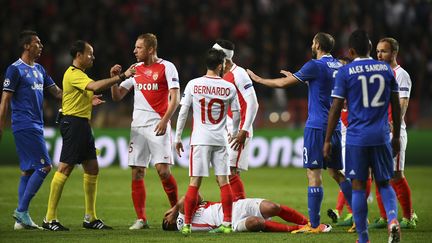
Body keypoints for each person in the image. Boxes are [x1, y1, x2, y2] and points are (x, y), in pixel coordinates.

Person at [247, 32, 352, 233]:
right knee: (336, 173)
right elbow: (324, 84)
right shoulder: (339, 66)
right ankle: (358, 216)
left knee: (313, 173)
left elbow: (282, 84)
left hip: (316, 126)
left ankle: (313, 225)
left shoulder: (314, 64)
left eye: (313, 42)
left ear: (318, 45)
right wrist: (299, 78)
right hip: (336, 126)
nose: (311, 44)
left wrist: (258, 79)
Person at [42, 40, 135, 231]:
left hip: (82, 124)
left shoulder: (79, 75)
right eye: (90, 53)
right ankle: (49, 218)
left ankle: (90, 218)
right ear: (79, 56)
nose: (93, 57)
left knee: (92, 167)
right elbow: (94, 86)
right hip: (74, 124)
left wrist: (88, 101)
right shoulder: (74, 73)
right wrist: (122, 76)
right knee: (65, 168)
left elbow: (78, 94)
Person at [323, 30, 401, 243]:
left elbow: (336, 108)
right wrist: (395, 138)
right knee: (384, 184)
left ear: (351, 51)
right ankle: (393, 220)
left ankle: (364, 238)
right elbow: (395, 104)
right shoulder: (386, 70)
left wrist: (328, 139)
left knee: (358, 186)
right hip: (382, 135)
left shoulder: (346, 72)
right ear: (370, 48)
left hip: (357, 138)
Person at [111, 33, 180, 230]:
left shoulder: (167, 67)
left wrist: (165, 120)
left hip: (159, 125)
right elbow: (117, 96)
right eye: (135, 47)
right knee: (137, 172)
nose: (134, 51)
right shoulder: (135, 70)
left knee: (163, 171)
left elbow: (175, 98)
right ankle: (141, 219)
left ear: (151, 49)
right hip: (138, 128)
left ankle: (176, 212)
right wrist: (113, 79)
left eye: (139, 47)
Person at [174, 48, 240, 236]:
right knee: (224, 181)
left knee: (195, 182)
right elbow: (236, 114)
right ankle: (227, 223)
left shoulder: (194, 84)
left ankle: (186, 224)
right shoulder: (229, 87)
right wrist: (234, 133)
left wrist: (178, 137)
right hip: (220, 139)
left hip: (200, 140)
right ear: (221, 65)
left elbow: (183, 112)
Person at [0, 30, 62, 230]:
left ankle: (20, 220)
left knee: (27, 170)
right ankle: (21, 211)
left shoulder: (40, 70)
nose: (41, 46)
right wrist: (1, 126)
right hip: (24, 124)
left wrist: (84, 94)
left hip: (36, 124)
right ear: (26, 46)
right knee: (44, 167)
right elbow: (5, 101)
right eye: (37, 42)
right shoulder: (15, 70)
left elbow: (58, 93)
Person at [369, 37, 418, 229]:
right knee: (378, 173)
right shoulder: (378, 73)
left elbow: (403, 102)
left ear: (394, 53)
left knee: (396, 175)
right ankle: (383, 217)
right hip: (378, 132)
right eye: (378, 51)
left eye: (384, 51)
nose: (379, 54)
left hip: (394, 132)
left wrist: (393, 124)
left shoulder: (401, 74)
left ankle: (408, 216)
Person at [212, 39, 259, 201]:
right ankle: (232, 210)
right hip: (225, 130)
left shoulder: (239, 74)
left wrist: (243, 130)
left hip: (239, 131)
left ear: (222, 57)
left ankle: (240, 210)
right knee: (221, 174)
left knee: (230, 172)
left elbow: (253, 103)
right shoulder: (220, 74)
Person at [162, 194, 309, 233]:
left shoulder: (189, 209)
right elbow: (187, 198)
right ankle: (299, 229)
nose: (167, 215)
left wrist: (173, 208)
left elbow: (196, 195)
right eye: (166, 217)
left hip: (234, 207)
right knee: (256, 223)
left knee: (273, 207)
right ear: (170, 222)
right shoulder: (182, 223)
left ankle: (308, 222)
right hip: (230, 224)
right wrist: (174, 211)